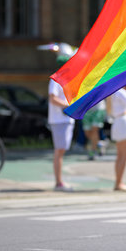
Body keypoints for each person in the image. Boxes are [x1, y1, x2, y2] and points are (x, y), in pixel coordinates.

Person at [48, 54, 75, 192]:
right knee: (59, 151)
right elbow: (53, 99)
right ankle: (58, 183)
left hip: (64, 120)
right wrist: (67, 105)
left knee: (61, 151)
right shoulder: (56, 80)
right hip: (59, 120)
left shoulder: (64, 80)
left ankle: (59, 181)